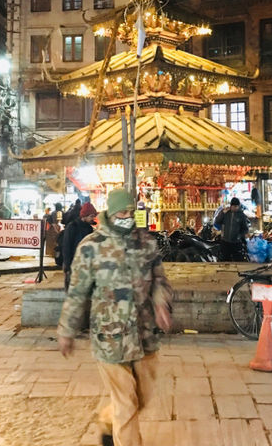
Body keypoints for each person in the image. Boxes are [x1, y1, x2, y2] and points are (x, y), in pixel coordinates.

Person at [57, 189, 172, 446]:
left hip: (145, 336)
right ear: (110, 212)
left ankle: (109, 420)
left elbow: (161, 281)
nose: (127, 216)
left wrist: (161, 304)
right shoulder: (91, 247)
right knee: (127, 404)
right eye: (122, 212)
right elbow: (77, 293)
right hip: (111, 338)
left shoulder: (146, 243)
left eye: (131, 212)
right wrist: (67, 331)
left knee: (142, 398)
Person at [61, 202, 97, 290]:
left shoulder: (89, 228)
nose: (93, 218)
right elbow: (66, 247)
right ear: (84, 216)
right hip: (74, 264)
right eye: (91, 216)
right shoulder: (72, 227)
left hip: (86, 265)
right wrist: (68, 266)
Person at [213, 197, 250, 261]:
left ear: (238, 206)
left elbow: (245, 229)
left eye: (236, 206)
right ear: (231, 206)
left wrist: (240, 236)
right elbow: (217, 221)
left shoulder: (241, 215)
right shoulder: (226, 213)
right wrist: (222, 213)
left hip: (236, 243)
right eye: (234, 206)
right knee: (225, 261)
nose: (235, 208)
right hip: (225, 241)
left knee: (237, 261)